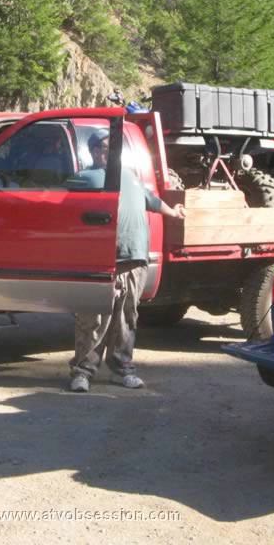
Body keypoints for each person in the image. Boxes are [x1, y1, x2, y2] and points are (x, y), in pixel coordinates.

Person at [68, 128, 186, 393]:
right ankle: (83, 371)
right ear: (95, 151)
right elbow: (61, 204)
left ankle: (121, 369)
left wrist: (174, 212)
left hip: (135, 258)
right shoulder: (84, 178)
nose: (107, 152)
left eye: (112, 148)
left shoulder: (130, 176)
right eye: (103, 148)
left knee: (126, 318)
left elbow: (152, 201)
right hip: (102, 261)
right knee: (93, 319)